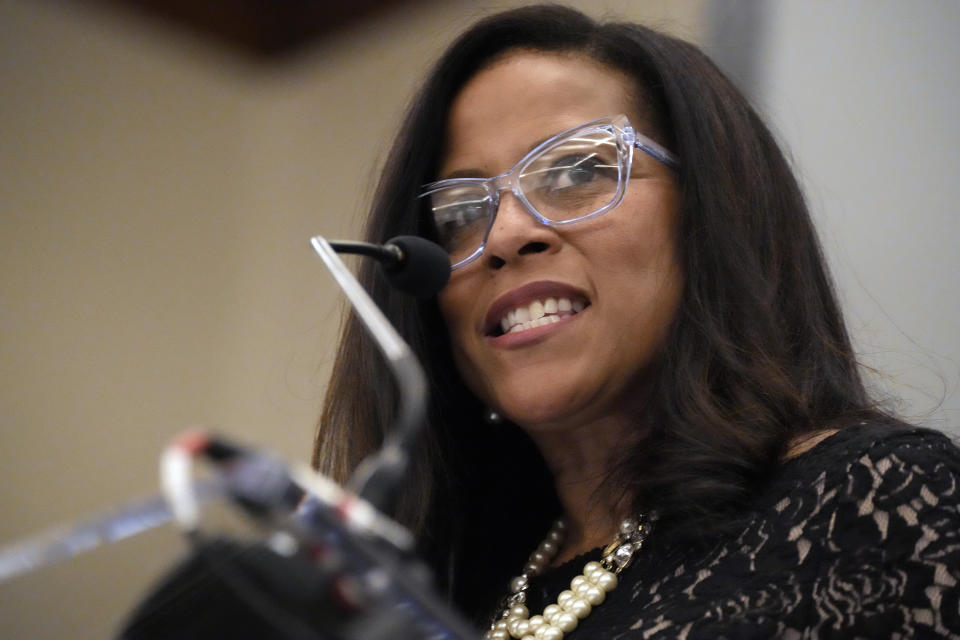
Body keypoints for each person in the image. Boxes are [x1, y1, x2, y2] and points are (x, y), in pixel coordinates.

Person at [312, 5, 960, 639]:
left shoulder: (877, 500)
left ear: (711, 212)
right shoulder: (434, 593)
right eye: (459, 213)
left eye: (574, 169)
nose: (505, 234)